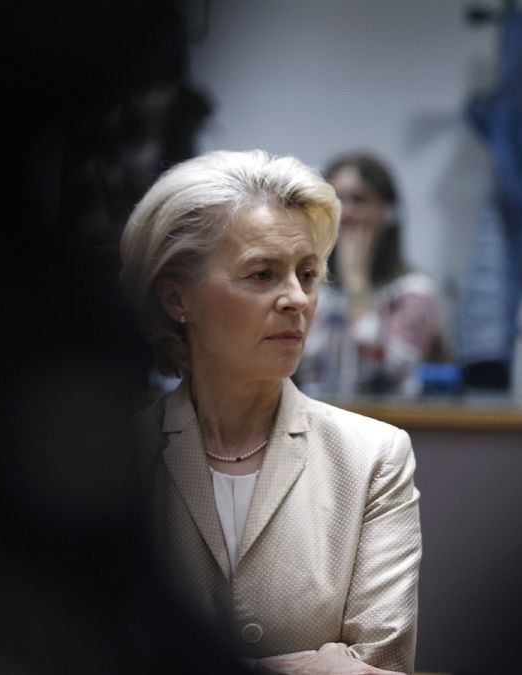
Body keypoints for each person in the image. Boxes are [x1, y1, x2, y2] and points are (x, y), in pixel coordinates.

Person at [119, 150, 421, 674]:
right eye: (262, 274)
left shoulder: (372, 456)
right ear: (176, 299)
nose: (297, 299)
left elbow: (383, 668)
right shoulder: (118, 457)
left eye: (308, 274)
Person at [296, 153, 444, 397]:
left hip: (388, 422)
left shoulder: (414, 291)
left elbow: (386, 373)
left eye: (360, 200)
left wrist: (357, 287)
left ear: (387, 212)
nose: (346, 213)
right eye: (337, 200)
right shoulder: (309, 287)